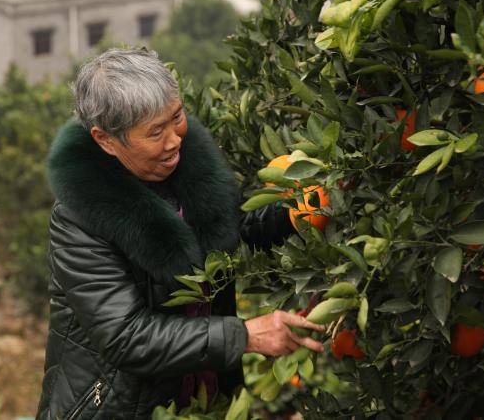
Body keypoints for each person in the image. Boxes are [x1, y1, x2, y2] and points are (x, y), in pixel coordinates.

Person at [35, 48, 324, 420]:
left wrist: (301, 210)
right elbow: (127, 337)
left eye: (177, 118)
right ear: (106, 140)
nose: (174, 140)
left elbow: (232, 231)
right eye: (155, 132)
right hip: (117, 408)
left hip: (206, 397)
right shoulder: (79, 218)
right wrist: (245, 336)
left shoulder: (188, 169)